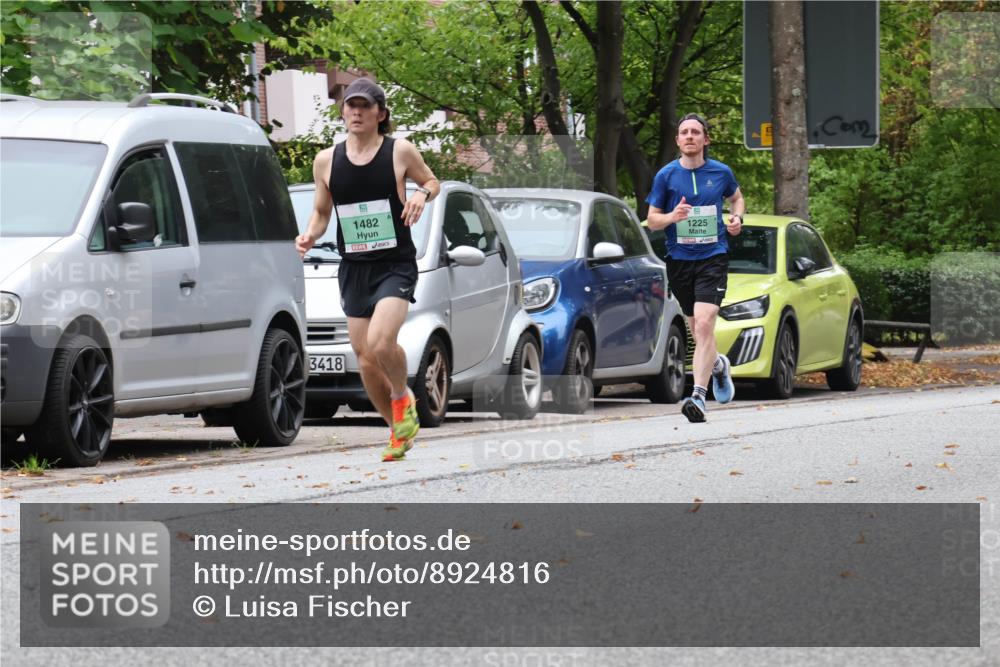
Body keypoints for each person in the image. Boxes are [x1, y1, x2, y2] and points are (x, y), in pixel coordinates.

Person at [295, 78, 440, 460]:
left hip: (394, 264)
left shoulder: (399, 151)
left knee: (380, 342)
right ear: (342, 112)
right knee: (363, 357)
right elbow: (322, 213)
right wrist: (309, 235)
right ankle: (398, 430)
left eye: (364, 106)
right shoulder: (326, 160)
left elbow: (431, 181)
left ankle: (401, 396)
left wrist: (422, 195)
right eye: (350, 106)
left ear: (381, 114)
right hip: (354, 266)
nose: (356, 112)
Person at [645, 113, 745, 423]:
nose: (689, 136)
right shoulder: (666, 176)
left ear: (705, 139)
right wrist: (672, 217)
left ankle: (699, 397)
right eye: (684, 132)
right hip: (679, 260)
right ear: (677, 140)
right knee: (697, 329)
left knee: (704, 324)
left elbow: (737, 199)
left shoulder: (721, 172)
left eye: (695, 132)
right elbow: (651, 220)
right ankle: (718, 366)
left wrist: (737, 219)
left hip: (713, 256)